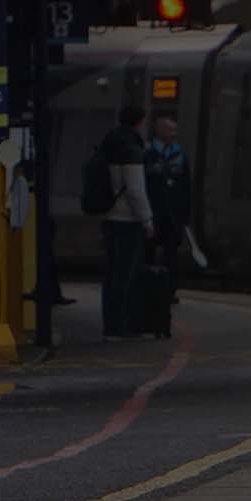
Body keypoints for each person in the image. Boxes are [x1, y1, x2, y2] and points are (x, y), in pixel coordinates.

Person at [101, 105, 154, 339]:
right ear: (140, 121)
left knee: (112, 273)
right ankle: (120, 326)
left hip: (109, 216)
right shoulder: (131, 148)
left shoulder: (109, 142)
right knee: (125, 275)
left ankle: (110, 324)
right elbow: (135, 190)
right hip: (127, 219)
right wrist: (147, 220)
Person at [144, 114, 192, 273]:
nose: (173, 134)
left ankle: (168, 291)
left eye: (174, 130)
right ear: (159, 131)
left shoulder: (180, 155)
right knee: (147, 253)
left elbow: (186, 185)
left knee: (171, 256)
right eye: (169, 130)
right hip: (152, 212)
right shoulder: (147, 153)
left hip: (174, 214)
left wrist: (185, 213)